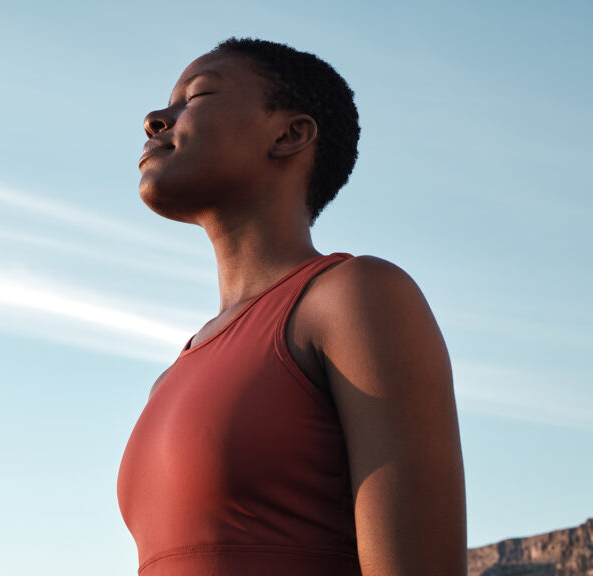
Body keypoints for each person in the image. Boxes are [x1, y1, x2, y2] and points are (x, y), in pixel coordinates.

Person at [116, 38, 466, 576]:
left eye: (198, 95)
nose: (155, 119)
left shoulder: (354, 297)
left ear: (289, 134)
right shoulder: (170, 377)